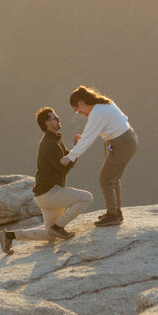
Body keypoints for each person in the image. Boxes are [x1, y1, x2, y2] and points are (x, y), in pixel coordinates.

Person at [0, 107, 94, 254]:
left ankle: (9, 235)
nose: (58, 119)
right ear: (47, 123)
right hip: (50, 193)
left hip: (44, 195)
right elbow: (64, 168)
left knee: (49, 234)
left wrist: (76, 148)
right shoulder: (50, 144)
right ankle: (58, 227)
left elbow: (65, 159)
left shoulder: (54, 140)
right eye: (54, 118)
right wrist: (77, 149)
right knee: (87, 198)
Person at [61, 85, 138, 226]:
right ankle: (115, 212)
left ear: (81, 102)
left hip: (122, 143)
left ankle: (113, 215)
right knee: (113, 178)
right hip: (127, 140)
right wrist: (82, 139)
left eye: (77, 108)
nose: (78, 112)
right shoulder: (104, 104)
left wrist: (71, 156)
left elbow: (90, 137)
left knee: (105, 179)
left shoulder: (97, 111)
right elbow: (91, 132)